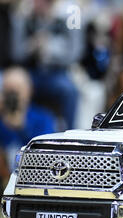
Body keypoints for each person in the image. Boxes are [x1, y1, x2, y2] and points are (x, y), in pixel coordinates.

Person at [10, 0, 84, 130]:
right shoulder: (24, 13)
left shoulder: (72, 12)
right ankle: (17, 135)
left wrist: (50, 49)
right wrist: (32, 45)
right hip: (30, 72)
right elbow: (16, 53)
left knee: (70, 90)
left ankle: (69, 132)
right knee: (15, 86)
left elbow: (75, 53)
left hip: (57, 73)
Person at [0, 67, 56, 170]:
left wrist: (22, 128)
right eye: (9, 90)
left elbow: (46, 152)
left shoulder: (42, 118)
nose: (13, 96)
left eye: (17, 89)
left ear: (29, 90)